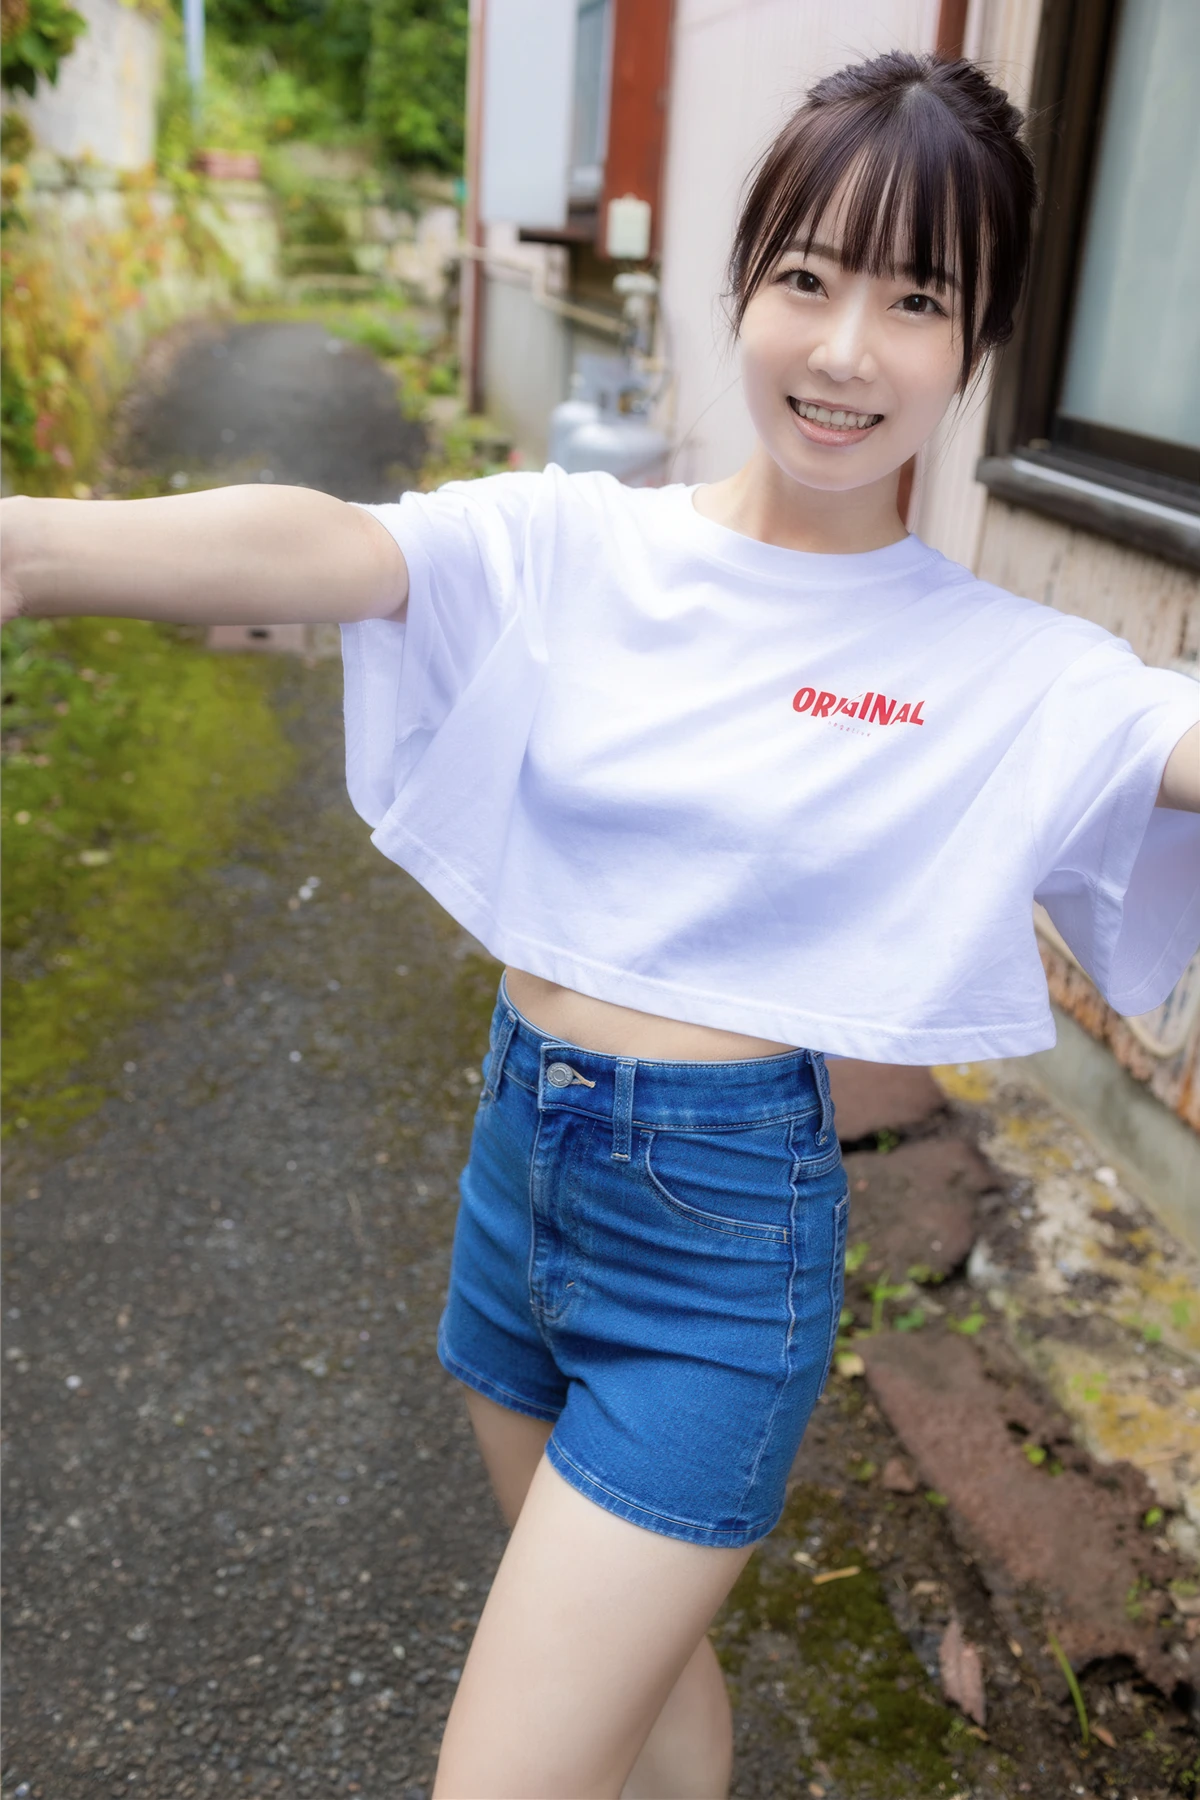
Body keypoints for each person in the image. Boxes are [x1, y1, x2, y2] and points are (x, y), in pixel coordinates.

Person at [3, 47, 1199, 1800]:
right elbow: (339, 544)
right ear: (745, 287)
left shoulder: (1008, 668)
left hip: (720, 1251)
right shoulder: (585, 543)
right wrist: (26, 546)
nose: (845, 348)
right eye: (808, 277)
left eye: (917, 300)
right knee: (640, 1688)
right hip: (522, 1176)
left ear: (980, 343)